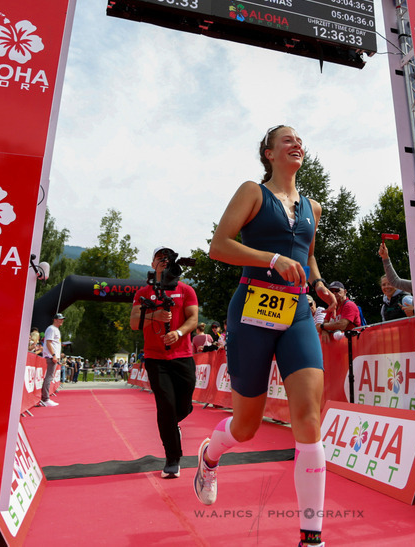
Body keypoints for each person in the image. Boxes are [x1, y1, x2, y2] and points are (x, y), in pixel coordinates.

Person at [195, 125, 336, 547]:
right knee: (246, 427)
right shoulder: (252, 193)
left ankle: (312, 537)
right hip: (252, 309)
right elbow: (219, 246)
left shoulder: (314, 206)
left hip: (296, 314)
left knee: (309, 419)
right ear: (269, 153)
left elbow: (308, 261)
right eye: (287, 140)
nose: (297, 144)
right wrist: (270, 258)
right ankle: (209, 456)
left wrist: (320, 284)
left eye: (300, 140)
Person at [131, 246, 200, 479]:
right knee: (166, 407)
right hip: (155, 358)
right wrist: (154, 316)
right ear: (152, 264)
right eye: (159, 259)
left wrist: (179, 333)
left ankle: (171, 425)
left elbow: (193, 319)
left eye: (167, 259)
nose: (163, 262)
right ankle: (172, 458)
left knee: (183, 406)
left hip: (183, 356)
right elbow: (133, 323)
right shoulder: (142, 292)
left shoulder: (186, 290)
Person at [38, 313, 64, 407]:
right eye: (60, 319)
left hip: (53, 356)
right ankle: (45, 399)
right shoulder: (51, 329)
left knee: (50, 376)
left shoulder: (55, 329)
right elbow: (48, 342)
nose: (62, 321)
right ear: (55, 319)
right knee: (49, 377)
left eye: (62, 319)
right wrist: (53, 355)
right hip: (51, 356)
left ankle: (45, 398)